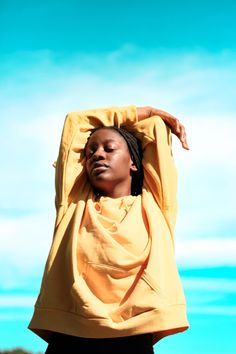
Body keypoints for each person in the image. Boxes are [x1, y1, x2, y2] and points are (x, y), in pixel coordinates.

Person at [28, 105, 190, 354]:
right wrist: (140, 111)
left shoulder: (156, 205)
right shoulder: (73, 203)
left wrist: (150, 117)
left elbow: (155, 129)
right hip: (69, 338)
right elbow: (76, 121)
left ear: (135, 163)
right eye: (89, 152)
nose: (97, 155)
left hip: (134, 338)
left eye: (109, 149)